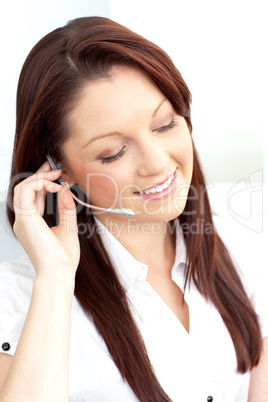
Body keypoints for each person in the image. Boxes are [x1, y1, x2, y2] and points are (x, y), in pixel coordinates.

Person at [0, 16, 267, 402]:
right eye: (114, 152)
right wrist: (56, 276)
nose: (157, 163)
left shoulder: (241, 251)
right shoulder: (20, 299)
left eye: (164, 125)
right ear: (58, 169)